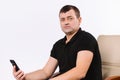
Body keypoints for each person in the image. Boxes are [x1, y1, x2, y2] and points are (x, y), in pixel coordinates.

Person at [12, 5, 102, 80]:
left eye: (70, 18)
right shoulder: (58, 45)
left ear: (79, 20)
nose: (66, 22)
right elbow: (45, 72)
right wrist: (24, 77)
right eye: (62, 19)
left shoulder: (86, 39)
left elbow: (80, 72)